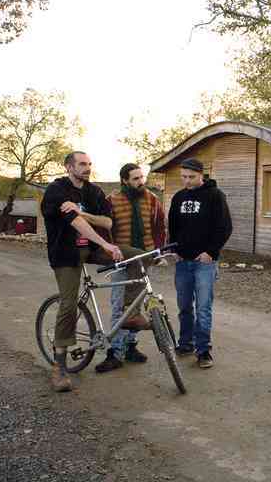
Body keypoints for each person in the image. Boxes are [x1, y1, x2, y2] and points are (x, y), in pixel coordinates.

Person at [41, 151, 150, 393]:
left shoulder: (93, 191)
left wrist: (84, 213)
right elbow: (75, 223)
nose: (87, 168)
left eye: (89, 164)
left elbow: (107, 222)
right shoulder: (56, 190)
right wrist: (105, 244)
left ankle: (131, 313)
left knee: (138, 256)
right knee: (68, 305)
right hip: (66, 254)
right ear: (69, 167)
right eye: (82, 164)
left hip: (90, 249)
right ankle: (59, 366)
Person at [95, 163, 167, 373]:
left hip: (144, 259)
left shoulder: (152, 199)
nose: (140, 182)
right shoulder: (112, 200)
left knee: (136, 304)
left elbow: (160, 226)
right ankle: (114, 352)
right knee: (119, 305)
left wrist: (158, 252)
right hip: (122, 261)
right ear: (124, 180)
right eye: (135, 179)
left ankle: (130, 347)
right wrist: (110, 252)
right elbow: (105, 230)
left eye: (141, 177)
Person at [168, 158, 232, 370]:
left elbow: (224, 227)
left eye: (191, 177)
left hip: (204, 262)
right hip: (183, 262)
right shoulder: (178, 197)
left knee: (203, 307)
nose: (186, 181)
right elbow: (174, 226)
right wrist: (174, 250)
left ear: (201, 175)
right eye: (183, 177)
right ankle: (185, 343)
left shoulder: (215, 196)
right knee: (184, 306)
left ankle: (203, 350)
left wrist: (211, 252)